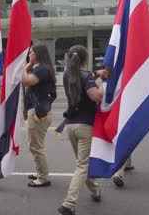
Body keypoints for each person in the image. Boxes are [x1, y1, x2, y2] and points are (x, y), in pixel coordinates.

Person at [57, 45, 105, 215]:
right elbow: (96, 96)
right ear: (85, 59)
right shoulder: (87, 78)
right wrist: (101, 85)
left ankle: (95, 189)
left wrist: (96, 75)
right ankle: (69, 204)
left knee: (81, 163)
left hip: (70, 125)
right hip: (85, 126)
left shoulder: (66, 75)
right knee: (82, 165)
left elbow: (83, 77)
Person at [21, 43, 57, 187]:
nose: (29, 55)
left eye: (31, 52)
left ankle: (43, 177)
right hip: (40, 110)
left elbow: (25, 81)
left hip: (39, 112)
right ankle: (40, 172)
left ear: (38, 54)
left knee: (35, 146)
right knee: (37, 144)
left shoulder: (42, 69)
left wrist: (24, 67)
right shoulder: (42, 68)